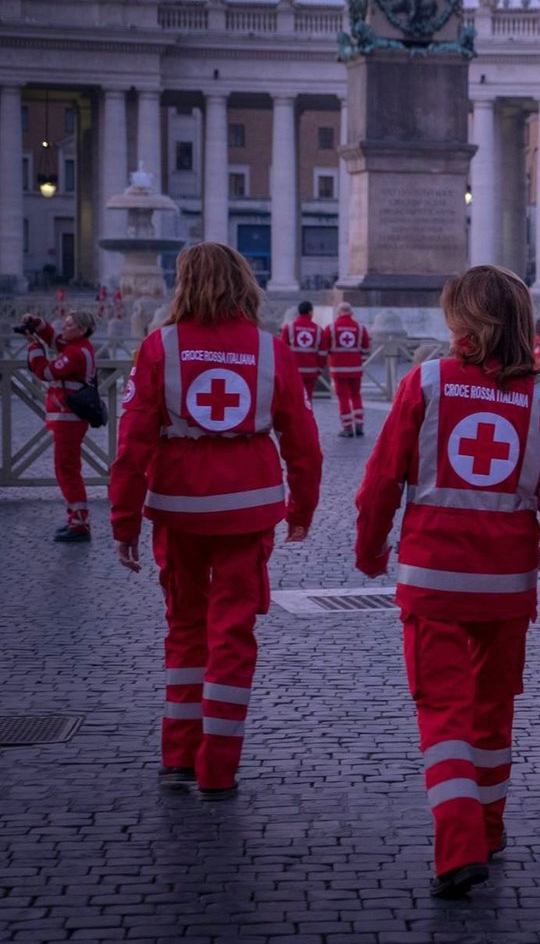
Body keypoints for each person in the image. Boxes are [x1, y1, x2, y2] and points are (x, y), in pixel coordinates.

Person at [354, 265, 540, 899]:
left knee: (444, 713)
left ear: (459, 320)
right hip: (508, 585)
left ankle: (459, 846)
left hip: (433, 579)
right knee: (493, 710)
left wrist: (370, 549)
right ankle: (489, 825)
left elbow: (381, 481)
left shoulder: (425, 382)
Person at [110, 243, 322, 801]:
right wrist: (301, 508)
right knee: (232, 632)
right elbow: (302, 441)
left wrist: (123, 521)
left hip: (179, 504)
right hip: (247, 505)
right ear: (244, 284)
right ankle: (219, 767)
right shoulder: (270, 350)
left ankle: (177, 754)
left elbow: (131, 444)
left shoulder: (161, 346)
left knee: (184, 628)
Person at [22, 309, 98, 542]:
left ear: (82, 330)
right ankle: (76, 518)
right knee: (67, 469)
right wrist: (38, 324)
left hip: (69, 419)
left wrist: (34, 346)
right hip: (68, 419)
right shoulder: (77, 346)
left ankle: (79, 523)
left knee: (67, 470)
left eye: (69, 325)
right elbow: (56, 340)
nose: (64, 328)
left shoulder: (77, 352)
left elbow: (46, 371)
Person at [323, 302, 370, 438]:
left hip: (338, 369)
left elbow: (325, 348)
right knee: (356, 395)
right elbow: (366, 349)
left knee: (343, 397)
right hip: (355, 368)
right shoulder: (360, 328)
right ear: (351, 313)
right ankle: (359, 425)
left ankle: (347, 427)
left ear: (338, 313)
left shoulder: (331, 328)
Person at [280, 300, 323, 403]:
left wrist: (284, 368)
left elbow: (281, 349)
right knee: (307, 398)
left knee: (293, 397)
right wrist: (319, 368)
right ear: (310, 312)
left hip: (293, 370)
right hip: (311, 371)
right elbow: (322, 353)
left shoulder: (289, 327)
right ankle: (307, 418)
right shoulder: (318, 330)